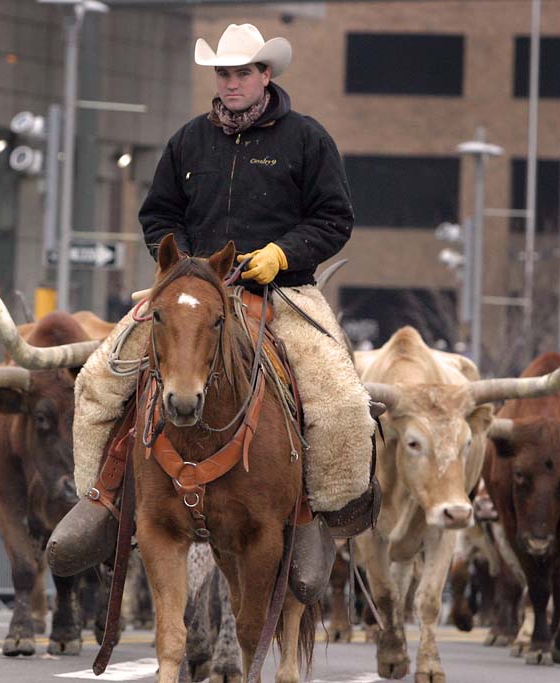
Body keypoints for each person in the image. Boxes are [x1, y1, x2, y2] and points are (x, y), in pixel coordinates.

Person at [48, 23, 377, 585]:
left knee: (342, 400)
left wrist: (282, 253)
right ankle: (102, 500)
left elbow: (334, 220)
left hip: (283, 291)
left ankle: (316, 512)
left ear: (265, 76)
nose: (230, 84)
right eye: (223, 73)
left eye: (242, 73)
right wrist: (178, 268)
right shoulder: (188, 141)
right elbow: (158, 216)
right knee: (97, 380)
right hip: (191, 295)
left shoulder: (306, 138)